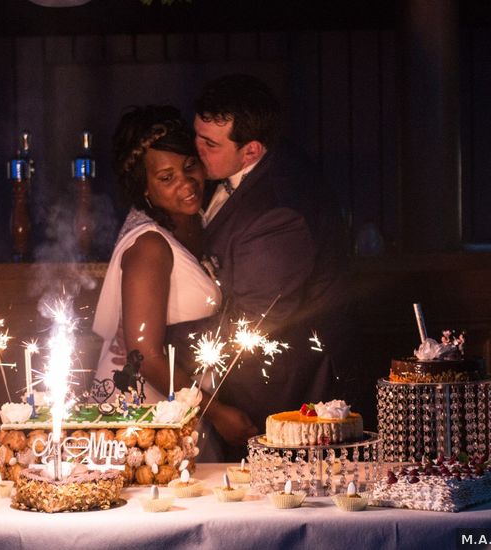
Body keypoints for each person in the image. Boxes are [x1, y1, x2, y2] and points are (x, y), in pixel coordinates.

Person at [167, 73, 364, 460]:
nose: (196, 150)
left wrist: (195, 380)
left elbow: (258, 321)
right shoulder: (250, 171)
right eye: (197, 135)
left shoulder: (276, 214)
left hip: (281, 399)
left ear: (251, 151)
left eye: (209, 143)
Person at [92, 106, 255, 452]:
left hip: (183, 402)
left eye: (189, 166)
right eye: (166, 178)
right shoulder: (150, 245)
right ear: (145, 188)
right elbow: (145, 355)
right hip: (143, 416)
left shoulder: (192, 220)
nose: (186, 184)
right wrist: (218, 412)